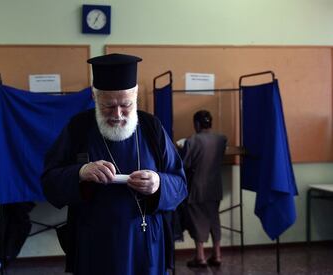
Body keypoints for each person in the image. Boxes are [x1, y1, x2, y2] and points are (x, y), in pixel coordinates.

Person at [41, 53, 187, 275]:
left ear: (135, 97)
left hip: (146, 246)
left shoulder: (151, 128)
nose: (118, 115)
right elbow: (49, 182)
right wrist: (80, 172)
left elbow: (180, 184)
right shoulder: (79, 128)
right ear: (94, 96)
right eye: (109, 106)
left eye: (126, 105)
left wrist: (158, 183)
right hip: (94, 246)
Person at [181, 110, 227, 268]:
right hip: (215, 187)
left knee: (197, 220)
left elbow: (185, 164)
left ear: (196, 124)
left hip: (198, 188)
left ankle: (200, 256)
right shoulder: (221, 139)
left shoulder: (192, 140)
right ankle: (217, 254)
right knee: (214, 220)